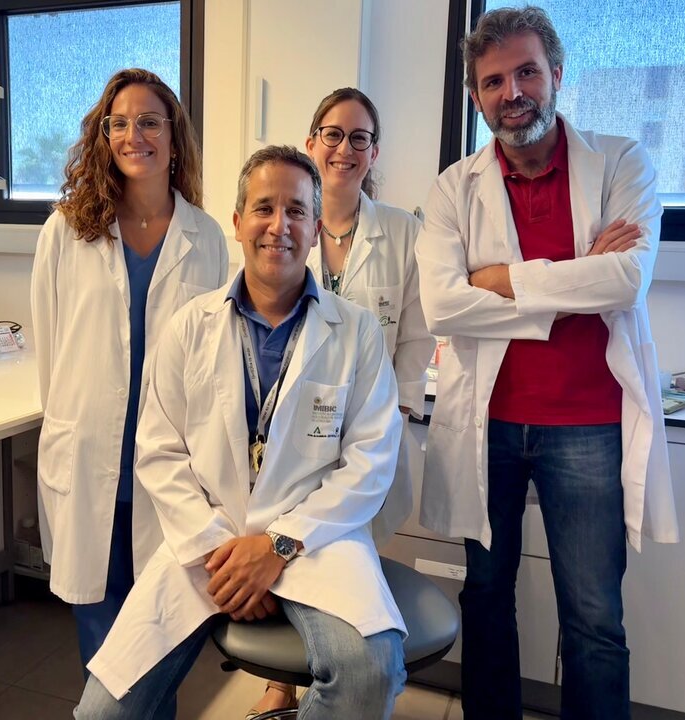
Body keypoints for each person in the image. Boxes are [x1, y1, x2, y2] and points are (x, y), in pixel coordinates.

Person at [74, 145, 408, 720]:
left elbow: (370, 462)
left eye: (296, 211)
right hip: (209, 543)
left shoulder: (356, 332)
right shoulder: (189, 327)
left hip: (317, 542)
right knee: (104, 711)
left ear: (316, 227)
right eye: (264, 208)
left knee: (369, 671)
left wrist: (277, 546)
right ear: (237, 222)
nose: (279, 226)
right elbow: (159, 452)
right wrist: (222, 555)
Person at [415, 6, 679, 719]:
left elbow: (626, 279)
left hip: (589, 426)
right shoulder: (453, 187)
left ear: (556, 74)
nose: (512, 93)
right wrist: (571, 283)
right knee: (485, 596)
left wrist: (502, 280)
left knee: (593, 615)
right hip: (489, 426)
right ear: (476, 96)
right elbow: (442, 306)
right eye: (493, 81)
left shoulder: (620, 162)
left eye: (526, 72)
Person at [30, 68, 229, 677]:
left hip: (169, 465)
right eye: (118, 124)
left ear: (173, 136)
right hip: (89, 454)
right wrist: (68, 423)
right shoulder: (67, 229)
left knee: (157, 628)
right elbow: (50, 347)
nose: (132, 136)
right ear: (103, 136)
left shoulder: (205, 237)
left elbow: (213, 362)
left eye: (148, 122)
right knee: (100, 634)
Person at [247, 87, 437, 718]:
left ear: (374, 151)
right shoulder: (285, 230)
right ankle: (282, 683)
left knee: (348, 572)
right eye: (332, 134)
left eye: (360, 138)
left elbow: (417, 336)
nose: (344, 148)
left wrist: (394, 415)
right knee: (285, 549)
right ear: (312, 142)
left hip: (368, 439)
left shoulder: (403, 232)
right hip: (292, 442)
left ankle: (344, 678)